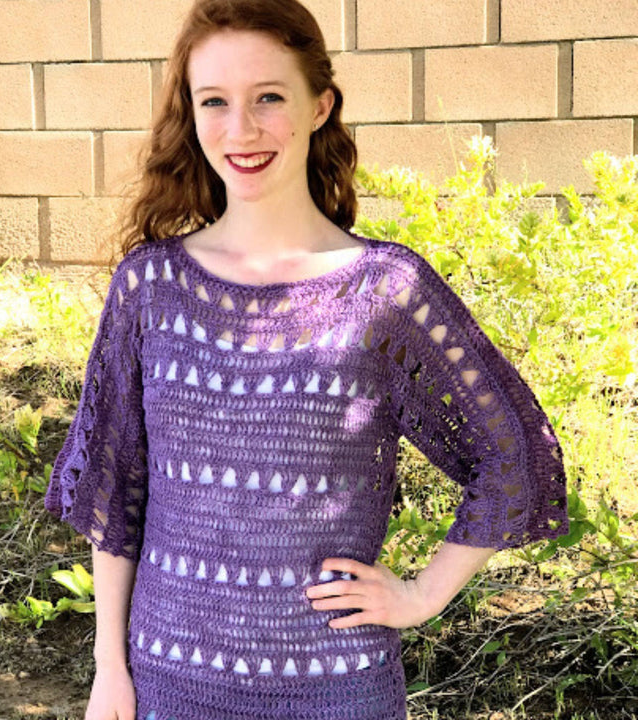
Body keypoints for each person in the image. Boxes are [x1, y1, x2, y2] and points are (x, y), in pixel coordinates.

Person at [45, 0, 569, 718]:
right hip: (171, 681)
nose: (242, 129)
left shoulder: (386, 292)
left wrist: (421, 593)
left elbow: (515, 456)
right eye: (215, 102)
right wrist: (110, 666)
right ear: (191, 117)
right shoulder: (149, 287)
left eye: (269, 98)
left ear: (320, 105)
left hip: (337, 687)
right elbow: (119, 496)